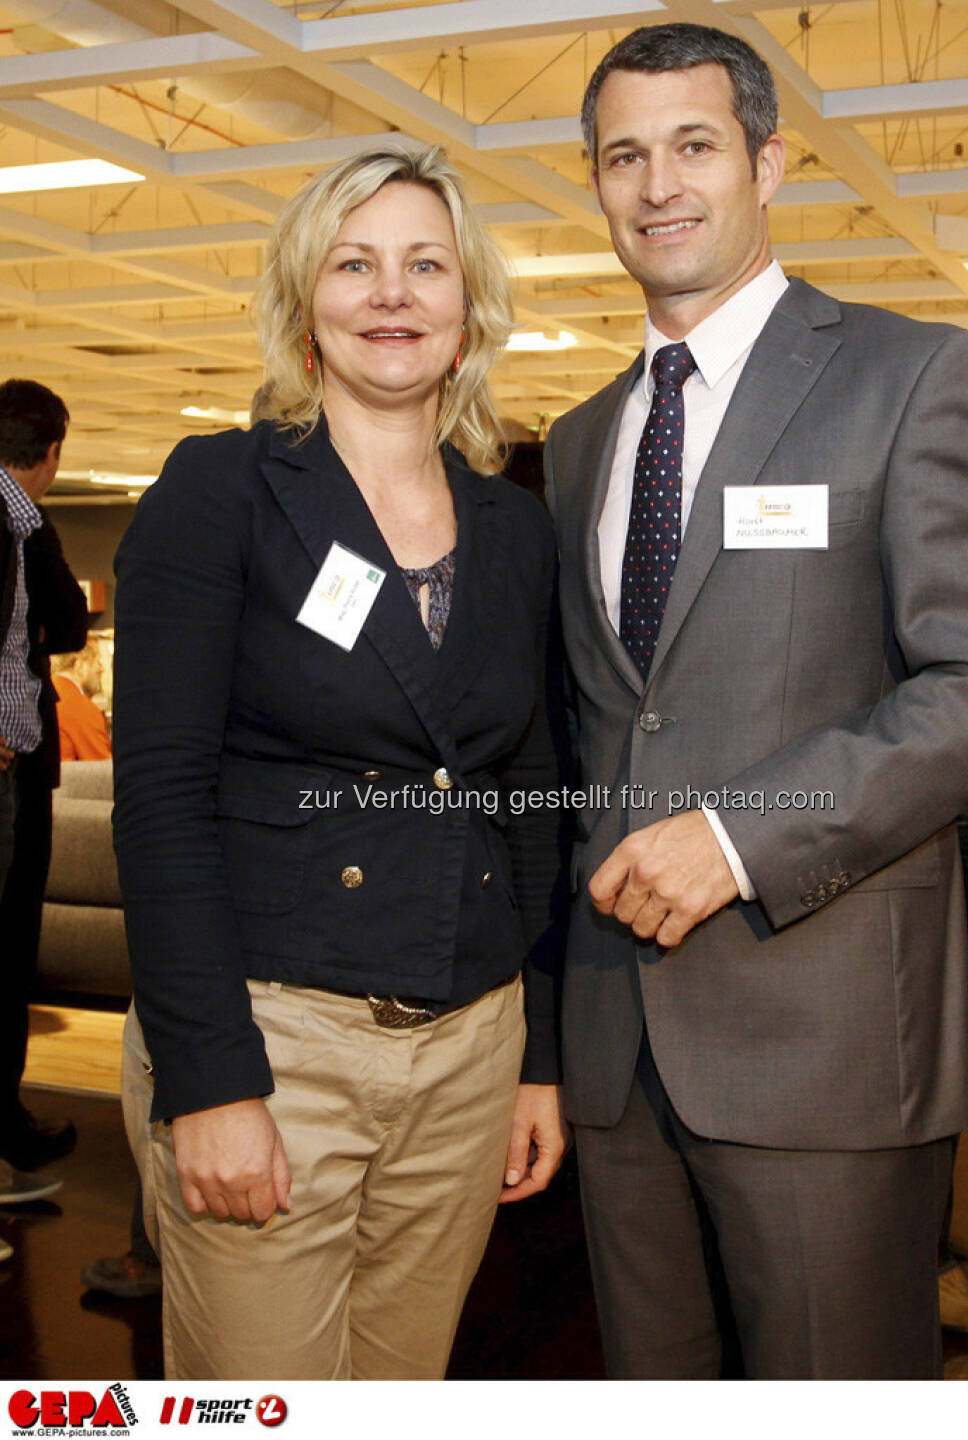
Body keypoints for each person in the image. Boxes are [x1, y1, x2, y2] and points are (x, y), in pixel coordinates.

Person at [544, 22, 968, 1379]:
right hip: (615, 1047)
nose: (659, 185)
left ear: (767, 161)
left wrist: (738, 837)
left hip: (823, 1035)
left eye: (694, 146)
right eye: (624, 156)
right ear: (594, 183)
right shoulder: (583, 439)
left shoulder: (910, 378)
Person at [113, 141, 568, 1380]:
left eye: (427, 265)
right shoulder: (225, 490)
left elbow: (529, 800)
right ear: (304, 299)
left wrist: (538, 1055)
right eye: (355, 263)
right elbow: (158, 797)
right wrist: (207, 1080)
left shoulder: (514, 526)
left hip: (469, 1048)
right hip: (274, 1040)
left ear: (468, 310)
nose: (391, 292)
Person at [0, 379, 87, 1174]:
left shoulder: (27, 528)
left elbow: (58, 624)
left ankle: (7, 1127)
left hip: (24, 769)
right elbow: (68, 627)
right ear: (51, 452)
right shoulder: (20, 521)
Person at [52, 639, 111, 762]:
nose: (102, 669)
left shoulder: (43, 693)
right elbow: (103, 768)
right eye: (98, 662)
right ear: (79, 666)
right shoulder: (81, 708)